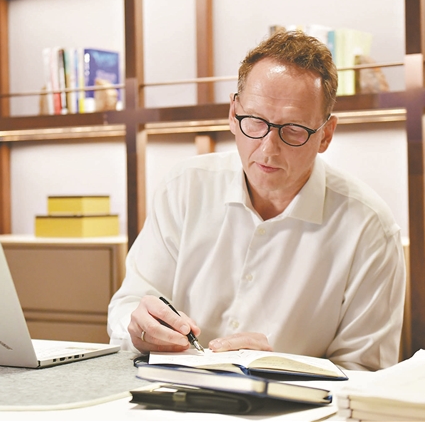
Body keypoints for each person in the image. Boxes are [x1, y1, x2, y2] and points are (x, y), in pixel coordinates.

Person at [107, 31, 406, 371]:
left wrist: (281, 370)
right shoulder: (184, 187)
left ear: (325, 134)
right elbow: (128, 306)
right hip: (171, 390)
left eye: (293, 129)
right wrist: (138, 326)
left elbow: (365, 374)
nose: (267, 148)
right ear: (233, 114)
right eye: (255, 121)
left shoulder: (370, 229)